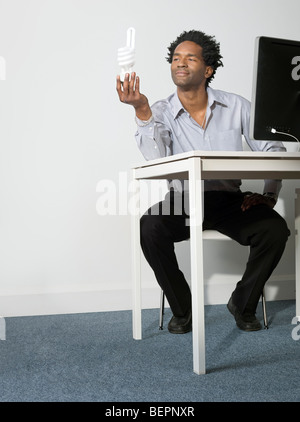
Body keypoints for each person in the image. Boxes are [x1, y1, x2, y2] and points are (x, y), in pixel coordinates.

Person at [116, 30, 290, 333]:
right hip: (182, 200)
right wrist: (141, 110)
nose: (180, 63)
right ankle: (183, 309)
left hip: (229, 201)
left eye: (190, 58)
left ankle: (242, 302)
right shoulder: (160, 110)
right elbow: (155, 158)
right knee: (150, 227)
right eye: (175, 59)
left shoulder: (237, 106)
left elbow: (272, 149)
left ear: (207, 70)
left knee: (274, 229)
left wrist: (269, 195)